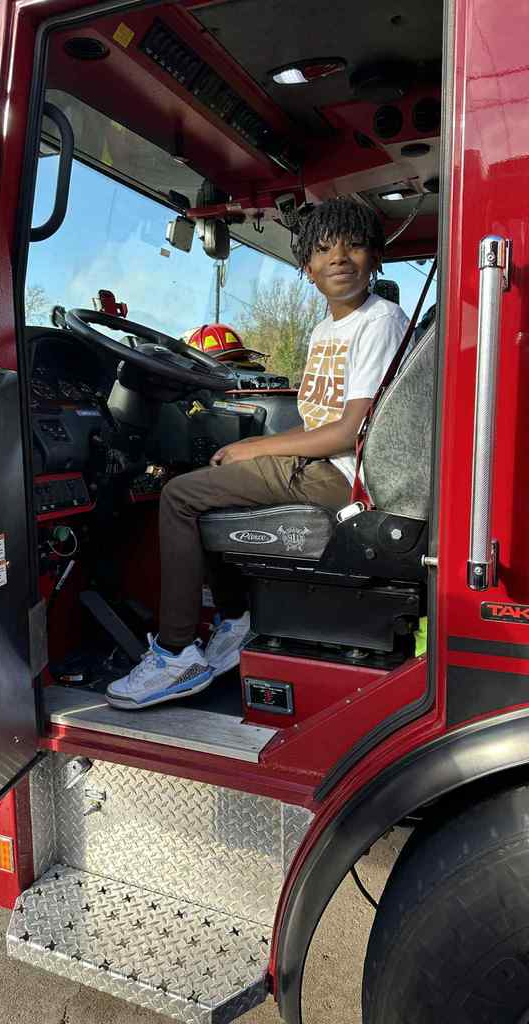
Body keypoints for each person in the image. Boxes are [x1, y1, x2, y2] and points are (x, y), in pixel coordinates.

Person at [106, 197, 410, 710]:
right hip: (323, 466)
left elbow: (348, 432)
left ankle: (177, 652)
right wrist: (252, 452)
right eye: (324, 249)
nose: (340, 258)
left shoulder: (379, 320)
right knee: (214, 473)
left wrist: (257, 446)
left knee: (180, 495)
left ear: (375, 258)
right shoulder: (325, 330)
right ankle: (234, 619)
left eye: (354, 246)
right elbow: (321, 417)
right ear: (308, 269)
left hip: (347, 477)